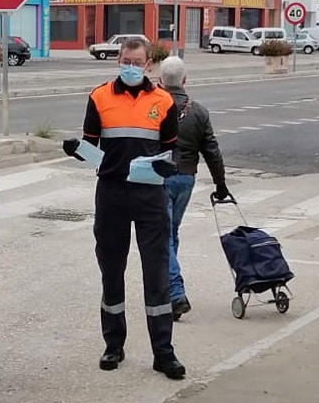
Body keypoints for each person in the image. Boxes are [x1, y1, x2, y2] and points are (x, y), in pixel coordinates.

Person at [80, 37, 185, 379]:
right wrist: (75, 149)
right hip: (111, 194)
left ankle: (163, 352)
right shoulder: (99, 97)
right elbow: (89, 148)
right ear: (118, 61)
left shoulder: (163, 101)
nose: (131, 67)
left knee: (156, 274)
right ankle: (113, 345)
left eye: (137, 62)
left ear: (148, 65)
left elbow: (174, 149)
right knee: (112, 270)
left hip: (150, 196)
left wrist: (170, 166)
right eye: (126, 61)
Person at [157, 56, 232, 320]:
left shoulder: (154, 107)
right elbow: (212, 150)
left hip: (160, 177)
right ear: (185, 80)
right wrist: (220, 183)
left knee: (163, 235)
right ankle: (167, 289)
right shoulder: (199, 111)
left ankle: (175, 293)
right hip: (186, 179)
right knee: (171, 232)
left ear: (160, 80)